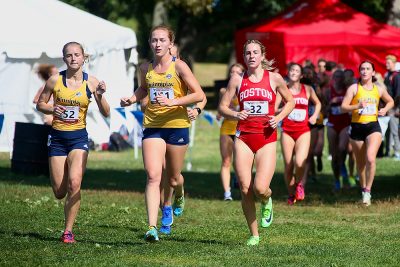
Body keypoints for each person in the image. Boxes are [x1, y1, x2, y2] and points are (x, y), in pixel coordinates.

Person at [120, 25, 205, 242]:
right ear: (150, 43)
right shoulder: (145, 67)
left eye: (162, 40)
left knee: (174, 178)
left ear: (170, 43)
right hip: (153, 126)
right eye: (154, 40)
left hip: (176, 125)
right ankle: (151, 227)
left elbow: (198, 94)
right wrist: (131, 98)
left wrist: (174, 101)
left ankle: (179, 193)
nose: (157, 44)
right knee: (153, 176)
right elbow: (143, 89)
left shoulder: (180, 67)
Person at [218, 39, 294, 246]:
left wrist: (278, 118)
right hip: (243, 136)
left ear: (262, 56)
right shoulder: (236, 79)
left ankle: (267, 199)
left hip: (267, 137)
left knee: (260, 188)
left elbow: (291, 101)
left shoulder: (274, 78)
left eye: (255, 52)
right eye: (248, 53)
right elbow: (222, 108)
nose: (251, 56)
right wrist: (235, 114)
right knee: (244, 187)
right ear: (244, 57)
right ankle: (254, 234)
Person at [36, 41, 110, 243]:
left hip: (79, 139)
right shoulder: (54, 81)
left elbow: (106, 112)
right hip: (58, 139)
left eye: (77, 54)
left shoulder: (92, 83)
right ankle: (64, 188)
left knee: (74, 183)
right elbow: (40, 104)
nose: (73, 58)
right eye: (69, 55)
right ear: (64, 59)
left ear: (84, 57)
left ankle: (68, 231)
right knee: (60, 192)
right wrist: (52, 109)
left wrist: (101, 96)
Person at [341, 60, 393, 205]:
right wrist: (356, 105)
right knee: (361, 164)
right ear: (360, 72)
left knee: (370, 158)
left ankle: (368, 191)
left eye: (367, 69)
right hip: (357, 127)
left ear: (373, 72)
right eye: (362, 69)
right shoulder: (354, 88)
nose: (364, 71)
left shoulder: (379, 89)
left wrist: (385, 109)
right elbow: (343, 107)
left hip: (373, 127)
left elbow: (390, 101)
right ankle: (363, 189)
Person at [276, 63, 321, 205]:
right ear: (288, 73)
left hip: (303, 131)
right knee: (289, 165)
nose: (294, 72)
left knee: (300, 162)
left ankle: (299, 184)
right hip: (287, 131)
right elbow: (274, 109)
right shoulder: (283, 90)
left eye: (297, 70)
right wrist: (284, 109)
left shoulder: (307, 89)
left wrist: (314, 116)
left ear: (301, 75)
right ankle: (291, 195)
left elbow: (318, 103)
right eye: (291, 70)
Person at [217, 63, 245, 201]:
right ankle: (227, 193)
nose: (234, 74)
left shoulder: (246, 90)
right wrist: (227, 109)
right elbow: (219, 114)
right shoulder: (224, 91)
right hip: (227, 129)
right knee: (226, 161)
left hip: (242, 130)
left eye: (238, 72)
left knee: (241, 162)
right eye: (232, 72)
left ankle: (243, 189)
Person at [324, 69, 351, 191]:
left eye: (341, 76)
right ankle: (336, 180)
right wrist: (331, 102)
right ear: (333, 78)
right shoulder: (328, 91)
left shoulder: (348, 90)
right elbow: (324, 109)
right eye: (336, 76)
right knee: (334, 156)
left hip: (345, 123)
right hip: (332, 123)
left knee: (342, 149)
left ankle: (343, 170)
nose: (339, 79)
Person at [383, 55, 400, 159]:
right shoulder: (387, 75)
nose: (386, 64)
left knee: (395, 130)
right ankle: (388, 151)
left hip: (394, 107)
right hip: (388, 106)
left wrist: (395, 108)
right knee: (387, 130)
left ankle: (397, 152)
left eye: (388, 63)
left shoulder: (397, 76)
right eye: (386, 62)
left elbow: (398, 93)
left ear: (394, 63)